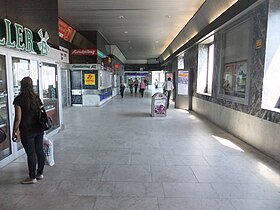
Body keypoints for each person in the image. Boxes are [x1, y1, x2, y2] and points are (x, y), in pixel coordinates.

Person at [12, 77, 45, 184]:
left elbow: (18, 118)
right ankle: (39, 173)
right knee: (39, 151)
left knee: (31, 154)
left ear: (21, 85)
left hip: (27, 130)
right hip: (38, 129)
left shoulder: (19, 99)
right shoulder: (36, 98)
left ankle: (32, 177)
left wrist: (14, 131)